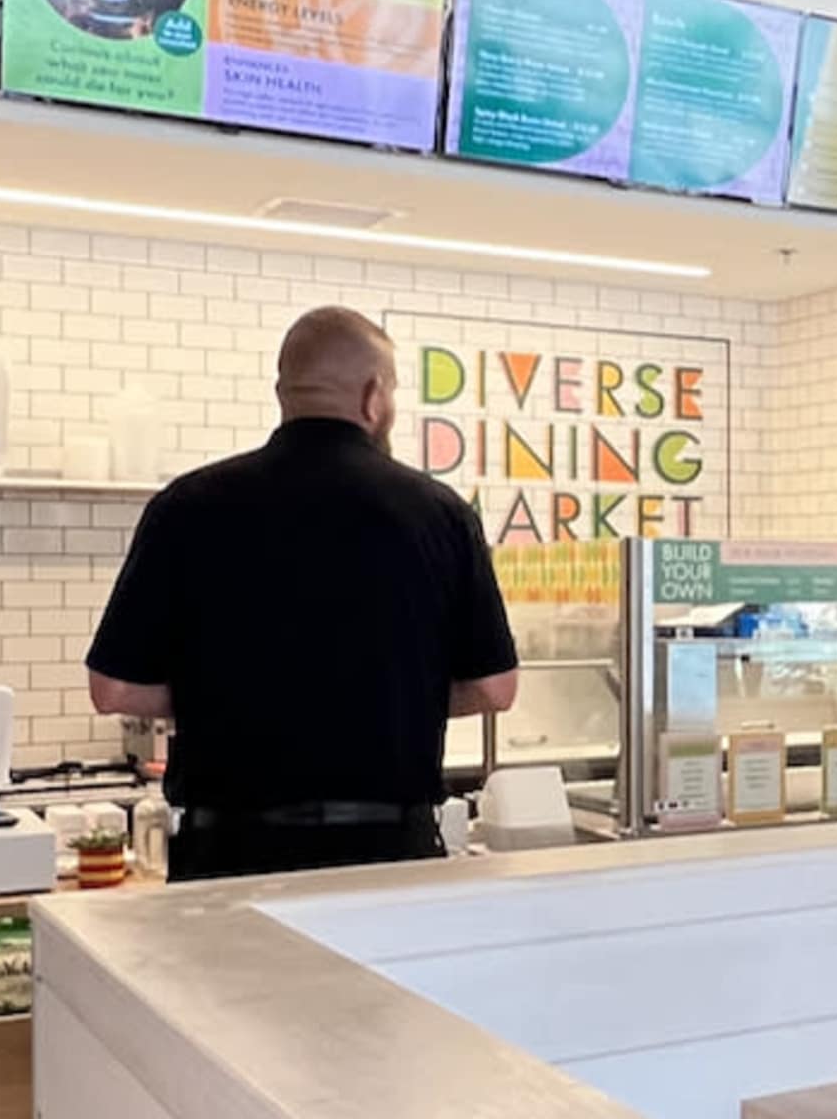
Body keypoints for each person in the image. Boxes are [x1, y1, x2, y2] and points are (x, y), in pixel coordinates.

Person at [85, 305, 520, 882]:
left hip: (230, 856)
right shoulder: (441, 514)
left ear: (283, 393)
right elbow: (495, 686)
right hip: (388, 856)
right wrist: (381, 697)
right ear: (373, 398)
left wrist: (232, 696)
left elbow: (112, 688)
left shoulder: (186, 506)